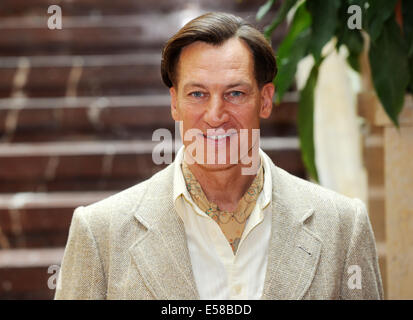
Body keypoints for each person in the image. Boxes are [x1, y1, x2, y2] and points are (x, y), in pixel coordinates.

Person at [55, 12, 383, 300]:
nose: (215, 114)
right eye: (197, 94)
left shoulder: (342, 226)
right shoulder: (100, 233)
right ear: (175, 103)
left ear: (265, 100)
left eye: (235, 93)